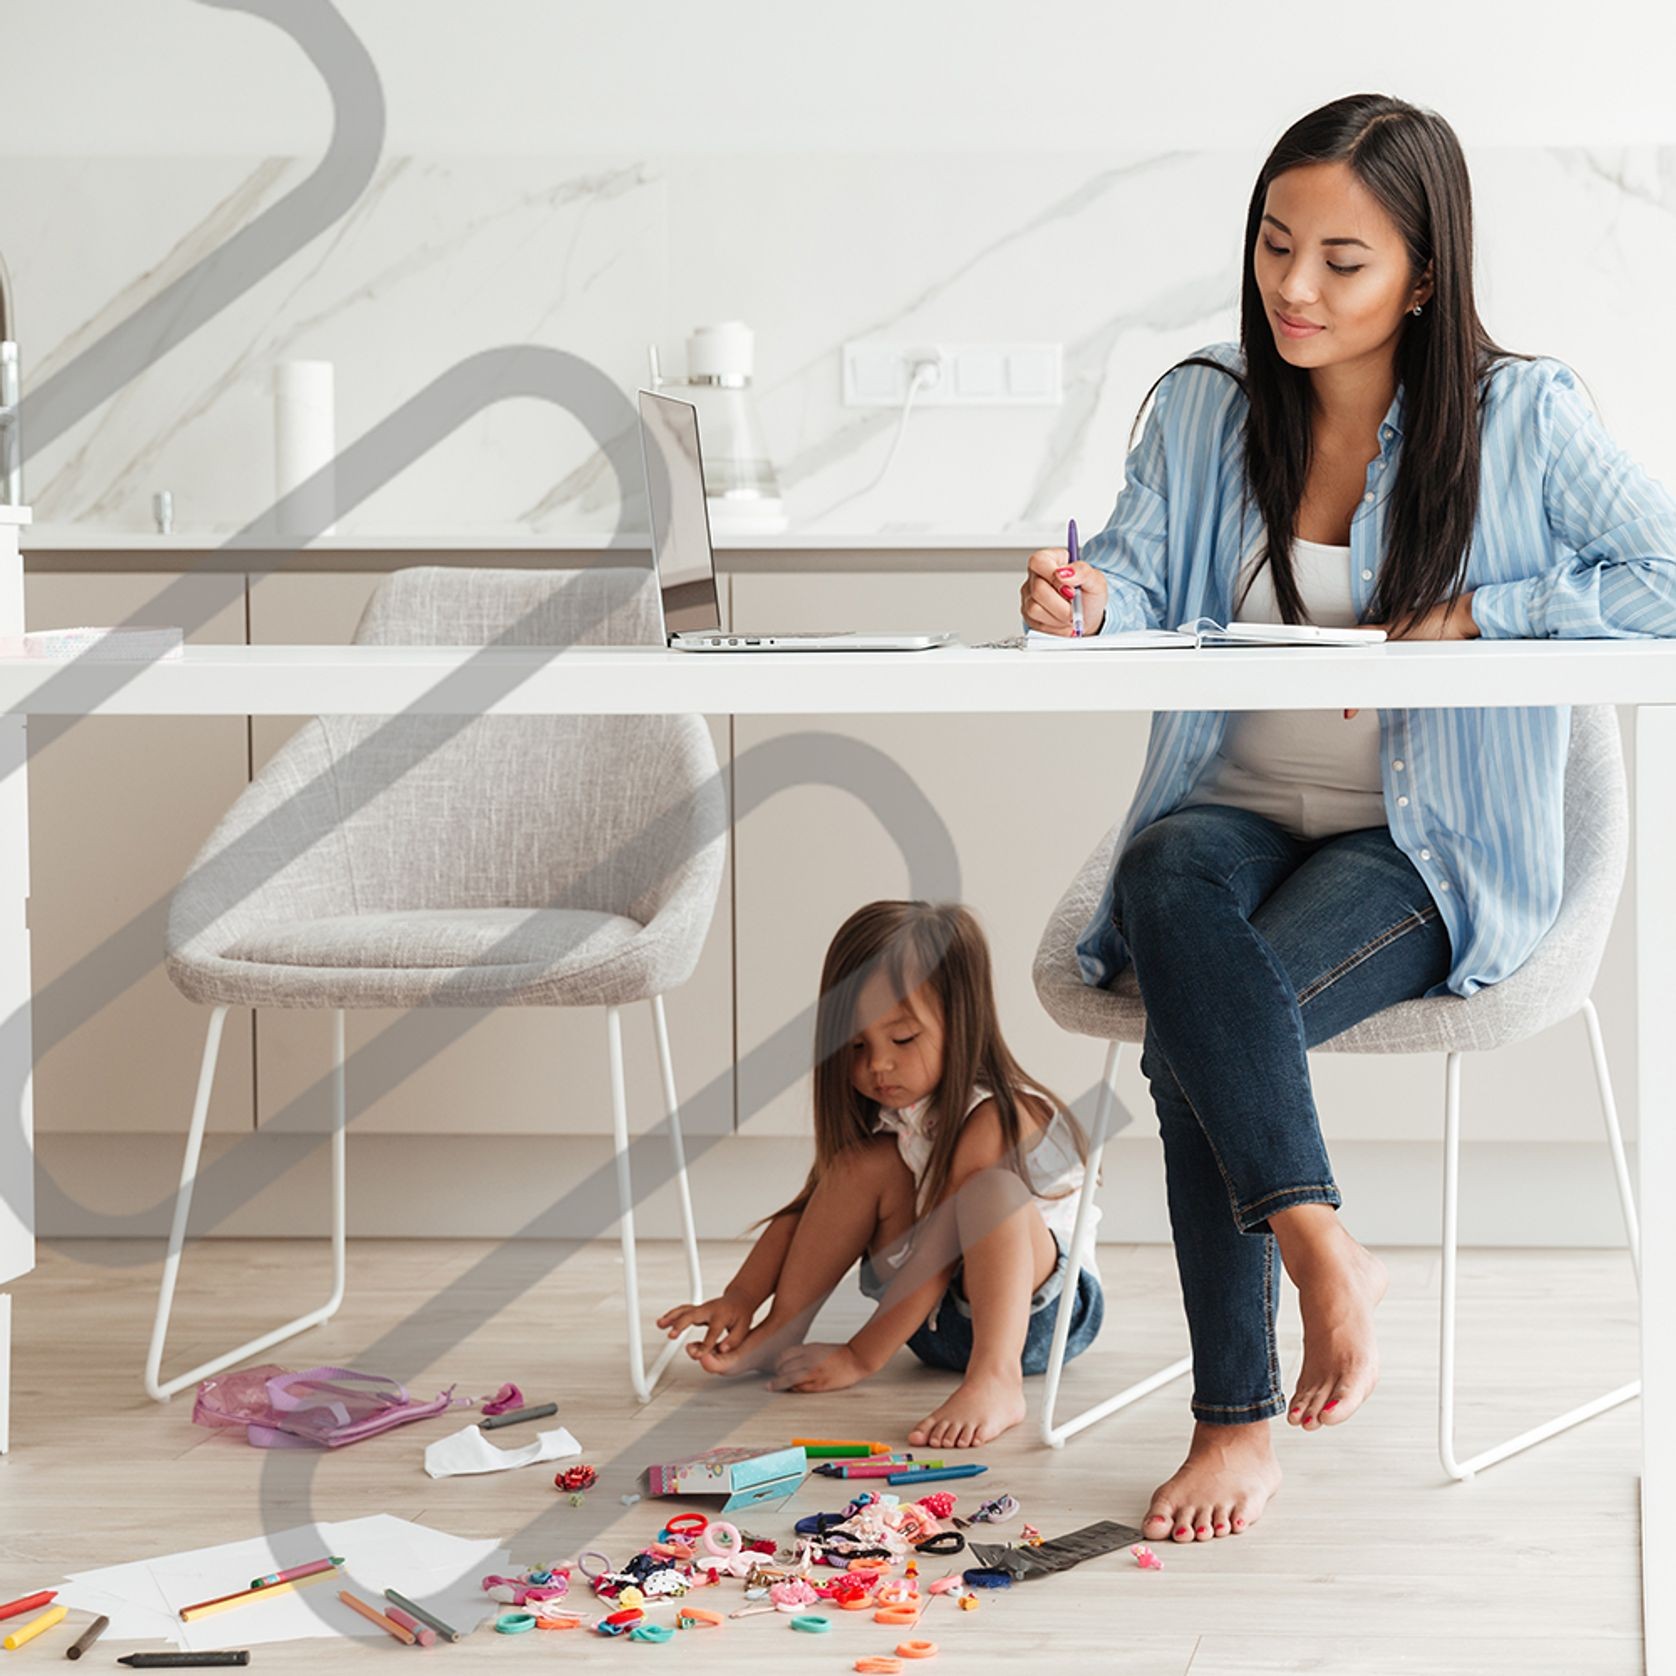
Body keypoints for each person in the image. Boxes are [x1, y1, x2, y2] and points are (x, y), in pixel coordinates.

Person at [1021, 92, 1676, 1544]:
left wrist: (1490, 617)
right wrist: (1088, 601)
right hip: (1231, 808)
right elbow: (1131, 570)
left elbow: (1671, 572)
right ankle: (1323, 1241)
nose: (1294, 290)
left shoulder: (1525, 417)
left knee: (1200, 1022)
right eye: (1273, 246)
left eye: (1342, 260)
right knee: (1165, 877)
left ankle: (1234, 1420)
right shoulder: (1204, 407)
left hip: (1422, 844)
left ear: (1425, 277)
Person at [657, 899, 1103, 1448]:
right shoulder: (900, 1122)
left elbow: (940, 1249)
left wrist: (859, 1355)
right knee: (853, 1167)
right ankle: (782, 1332)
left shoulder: (1001, 1115)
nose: (877, 1065)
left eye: (903, 1039)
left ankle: (995, 1379)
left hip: (1037, 1323)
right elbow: (807, 1213)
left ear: (960, 1023)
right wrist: (742, 1297)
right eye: (857, 1045)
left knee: (990, 1191)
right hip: (931, 1325)